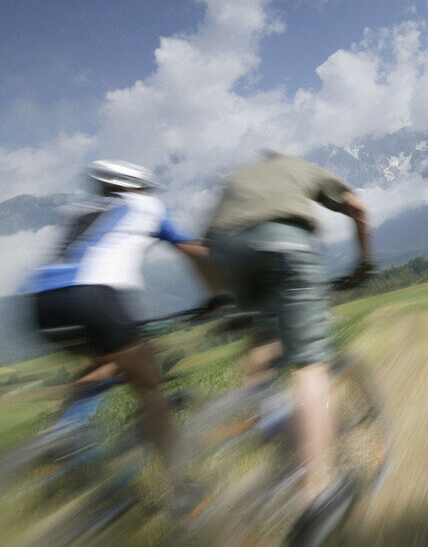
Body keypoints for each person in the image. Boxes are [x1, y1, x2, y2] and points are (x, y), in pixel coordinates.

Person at [203, 152, 373, 540]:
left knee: (263, 340)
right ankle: (317, 492)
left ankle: (271, 420)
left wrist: (221, 298)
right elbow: (357, 208)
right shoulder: (297, 167)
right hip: (284, 244)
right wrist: (365, 261)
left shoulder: (237, 178)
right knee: (309, 362)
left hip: (229, 253)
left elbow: (202, 244)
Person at [21, 159, 221, 472]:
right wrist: (218, 296)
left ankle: (58, 435)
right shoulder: (147, 205)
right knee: (150, 387)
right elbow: (193, 250)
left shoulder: (75, 209)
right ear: (133, 186)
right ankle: (182, 486)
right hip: (94, 297)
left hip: (40, 302)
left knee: (104, 363)